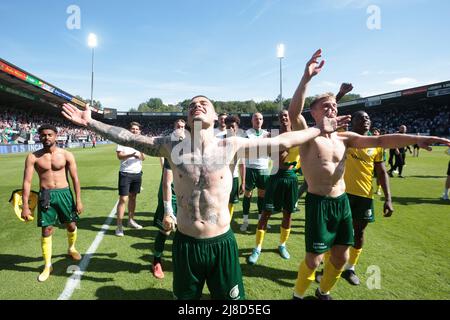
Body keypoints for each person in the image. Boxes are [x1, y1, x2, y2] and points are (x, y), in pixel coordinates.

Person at [62, 95, 349, 300]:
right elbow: (131, 139)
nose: (197, 107)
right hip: (186, 245)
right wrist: (91, 123)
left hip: (222, 243)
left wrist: (317, 129)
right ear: (188, 119)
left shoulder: (231, 145)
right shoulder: (172, 145)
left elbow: (280, 141)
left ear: (214, 117)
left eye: (204, 104)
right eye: (191, 106)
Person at [288, 48, 450, 300]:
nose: (332, 109)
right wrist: (306, 78)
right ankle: (298, 296)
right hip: (318, 203)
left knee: (341, 257)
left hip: (341, 202)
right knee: (313, 260)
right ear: (315, 113)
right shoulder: (307, 135)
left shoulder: (346, 138)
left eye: (334, 106)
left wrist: (417, 137)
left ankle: (323, 292)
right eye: (325, 106)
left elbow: (382, 140)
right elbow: (293, 113)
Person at [315, 111, 394, 286]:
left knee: (359, 233)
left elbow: (381, 172)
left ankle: (350, 268)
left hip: (365, 196)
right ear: (353, 122)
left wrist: (388, 197)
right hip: (340, 194)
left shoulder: (376, 145)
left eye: (367, 117)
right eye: (361, 118)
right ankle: (327, 268)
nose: (365, 120)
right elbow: (325, 121)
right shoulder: (344, 139)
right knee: (333, 233)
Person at [21, 124, 83, 282]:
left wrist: (78, 200)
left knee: (71, 225)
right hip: (46, 195)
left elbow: (75, 179)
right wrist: (25, 206)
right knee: (46, 230)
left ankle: (71, 248)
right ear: (39, 137)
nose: (46, 138)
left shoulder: (66, 155)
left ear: (56, 135)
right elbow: (27, 182)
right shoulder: (33, 157)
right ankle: (48, 265)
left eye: (49, 134)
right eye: (43, 135)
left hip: (64, 194)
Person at [247, 110, 300, 265]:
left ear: (291, 118)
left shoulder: (299, 134)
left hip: (291, 178)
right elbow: (264, 151)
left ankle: (282, 245)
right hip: (275, 176)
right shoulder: (272, 135)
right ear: (278, 120)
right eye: (280, 116)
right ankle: (257, 248)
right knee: (265, 213)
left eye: (286, 116)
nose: (283, 118)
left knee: (288, 214)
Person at [152, 119, 186, 279]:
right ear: (173, 129)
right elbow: (167, 182)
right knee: (165, 229)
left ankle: (181, 260)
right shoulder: (172, 150)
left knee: (185, 230)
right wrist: (168, 210)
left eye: (183, 127)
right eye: (178, 127)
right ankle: (156, 261)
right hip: (170, 196)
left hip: (184, 196)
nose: (180, 129)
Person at [240, 112, 270, 232]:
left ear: (263, 121)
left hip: (263, 168)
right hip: (250, 168)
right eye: (256, 118)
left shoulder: (267, 134)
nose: (258, 120)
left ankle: (261, 221)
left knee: (262, 196)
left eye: (260, 118)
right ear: (252, 120)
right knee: (248, 195)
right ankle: (245, 222)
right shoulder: (247, 134)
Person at [115, 122, 145, 237]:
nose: (135, 131)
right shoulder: (123, 141)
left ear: (139, 131)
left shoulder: (140, 142)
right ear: (129, 130)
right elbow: (119, 156)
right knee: (123, 199)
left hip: (137, 174)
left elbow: (143, 157)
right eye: (133, 129)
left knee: (133, 198)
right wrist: (131, 154)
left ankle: (131, 220)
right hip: (125, 174)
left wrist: (139, 155)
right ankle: (119, 226)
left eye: (137, 129)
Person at [224, 115, 246, 220]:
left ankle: (228, 222)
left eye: (232, 126)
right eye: (228, 127)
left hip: (234, 177)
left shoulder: (240, 143)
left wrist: (243, 182)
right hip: (221, 178)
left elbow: (242, 164)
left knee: (231, 203)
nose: (230, 129)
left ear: (236, 127)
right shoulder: (219, 141)